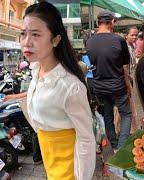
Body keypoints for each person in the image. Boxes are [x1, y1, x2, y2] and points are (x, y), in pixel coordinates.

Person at [20, 2, 95, 179]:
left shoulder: (70, 86)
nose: (26, 42)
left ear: (55, 39)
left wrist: (82, 177)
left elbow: (86, 139)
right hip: (50, 163)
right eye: (23, 33)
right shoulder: (36, 70)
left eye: (36, 34)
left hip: (69, 170)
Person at [86, 10, 132, 150]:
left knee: (108, 115)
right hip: (117, 86)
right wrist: (128, 85)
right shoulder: (119, 40)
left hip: (99, 87)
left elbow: (88, 69)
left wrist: (92, 88)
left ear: (97, 23)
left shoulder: (89, 42)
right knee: (126, 114)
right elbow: (125, 66)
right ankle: (122, 146)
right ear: (112, 22)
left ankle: (114, 145)